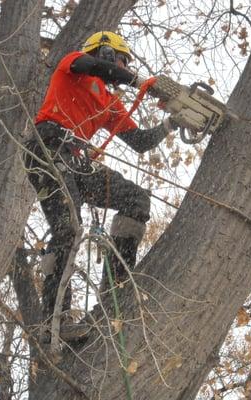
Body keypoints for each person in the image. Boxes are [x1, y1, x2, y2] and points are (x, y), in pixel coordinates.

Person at [24, 31, 176, 319]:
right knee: (68, 227)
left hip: (75, 159)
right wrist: (137, 80)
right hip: (46, 148)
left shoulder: (108, 102)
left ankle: (115, 287)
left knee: (136, 200)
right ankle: (54, 318)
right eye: (120, 61)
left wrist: (170, 124)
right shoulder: (74, 65)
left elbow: (139, 141)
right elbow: (93, 67)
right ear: (106, 54)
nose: (121, 68)